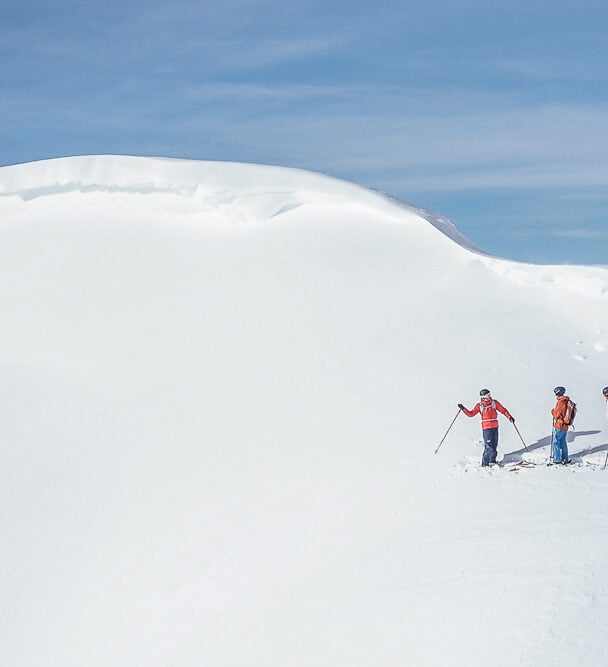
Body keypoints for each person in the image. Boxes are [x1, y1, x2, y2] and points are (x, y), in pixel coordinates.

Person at [458, 389, 514, 466]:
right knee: (489, 447)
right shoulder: (479, 406)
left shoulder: (494, 403)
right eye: (488, 395)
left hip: (495, 426)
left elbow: (503, 410)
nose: (489, 396)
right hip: (486, 428)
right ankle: (485, 463)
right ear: (483, 397)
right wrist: (463, 409)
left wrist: (509, 417)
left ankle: (492, 461)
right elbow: (471, 414)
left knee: (494, 445)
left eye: (490, 394)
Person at [551, 386, 572, 464]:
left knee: (556, 442)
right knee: (563, 442)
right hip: (565, 426)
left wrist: (552, 411)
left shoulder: (561, 402)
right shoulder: (566, 401)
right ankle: (565, 458)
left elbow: (556, 415)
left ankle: (557, 459)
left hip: (560, 425)